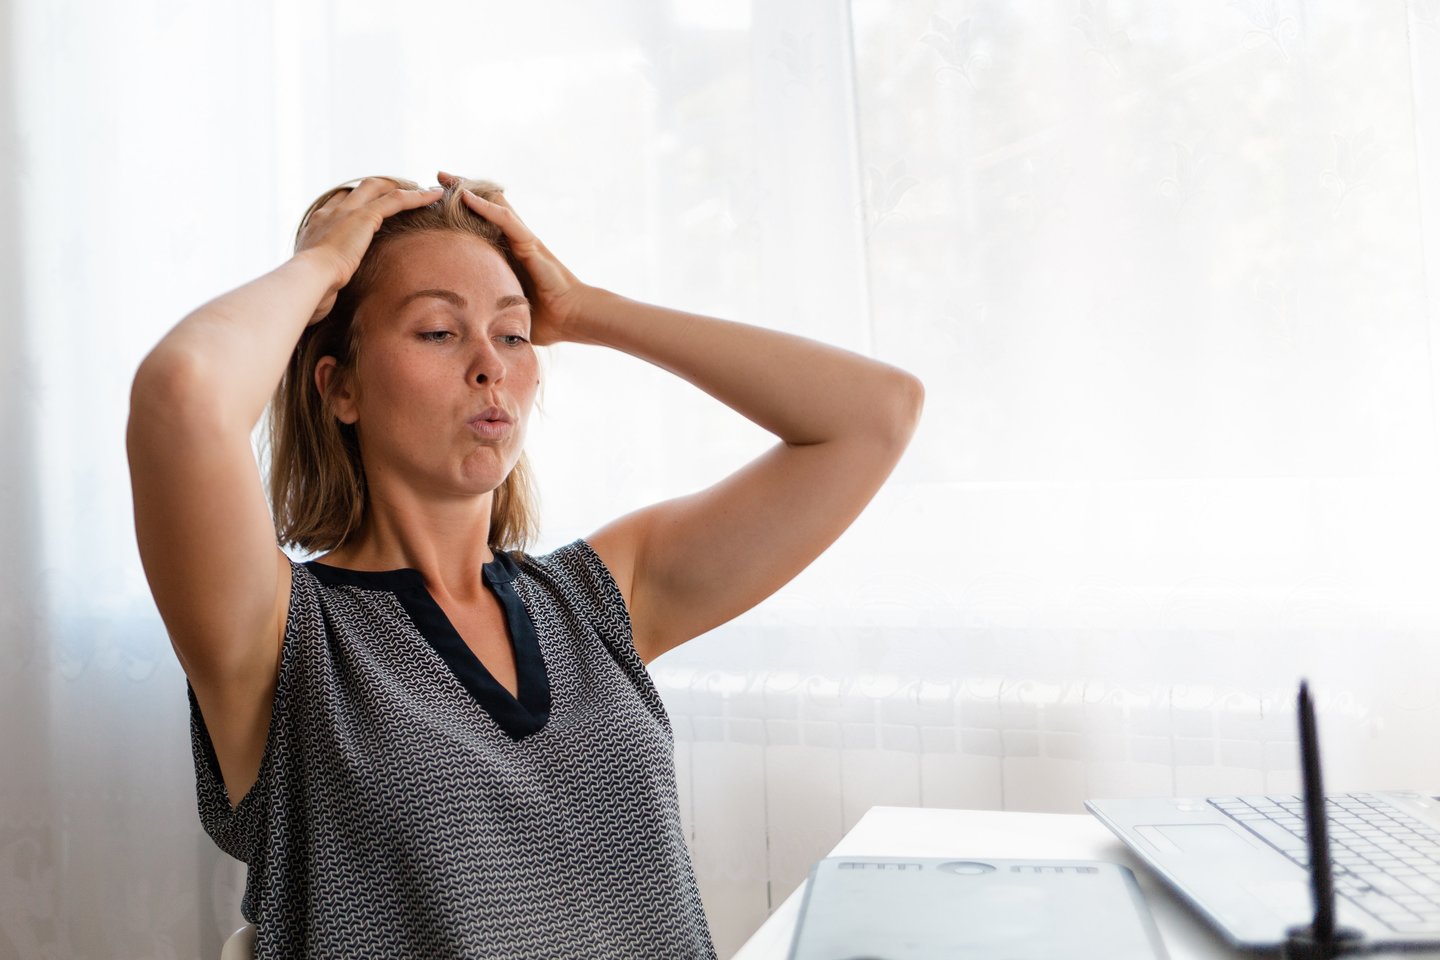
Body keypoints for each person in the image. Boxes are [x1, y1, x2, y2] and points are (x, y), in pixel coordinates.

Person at [126, 172, 923, 958]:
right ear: (340, 389)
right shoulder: (284, 636)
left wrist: (581, 309)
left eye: (512, 335)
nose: (491, 365)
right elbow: (184, 393)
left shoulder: (597, 598)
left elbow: (876, 413)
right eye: (437, 332)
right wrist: (323, 266)